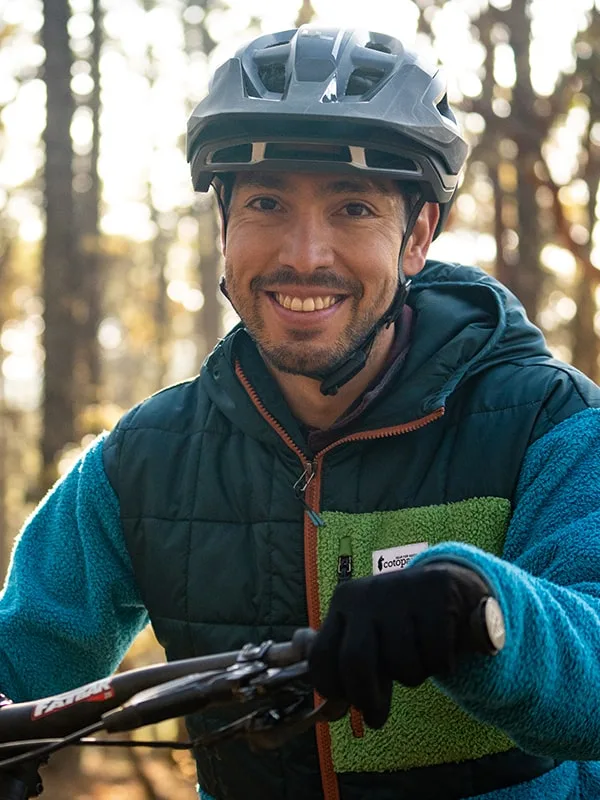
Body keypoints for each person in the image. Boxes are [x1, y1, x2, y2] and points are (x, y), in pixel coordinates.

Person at [1, 23, 600, 800]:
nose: (305, 255)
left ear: (417, 235)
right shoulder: (142, 461)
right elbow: (20, 659)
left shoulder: (549, 423)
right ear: (223, 227)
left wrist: (480, 606)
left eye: (353, 207)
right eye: (267, 203)